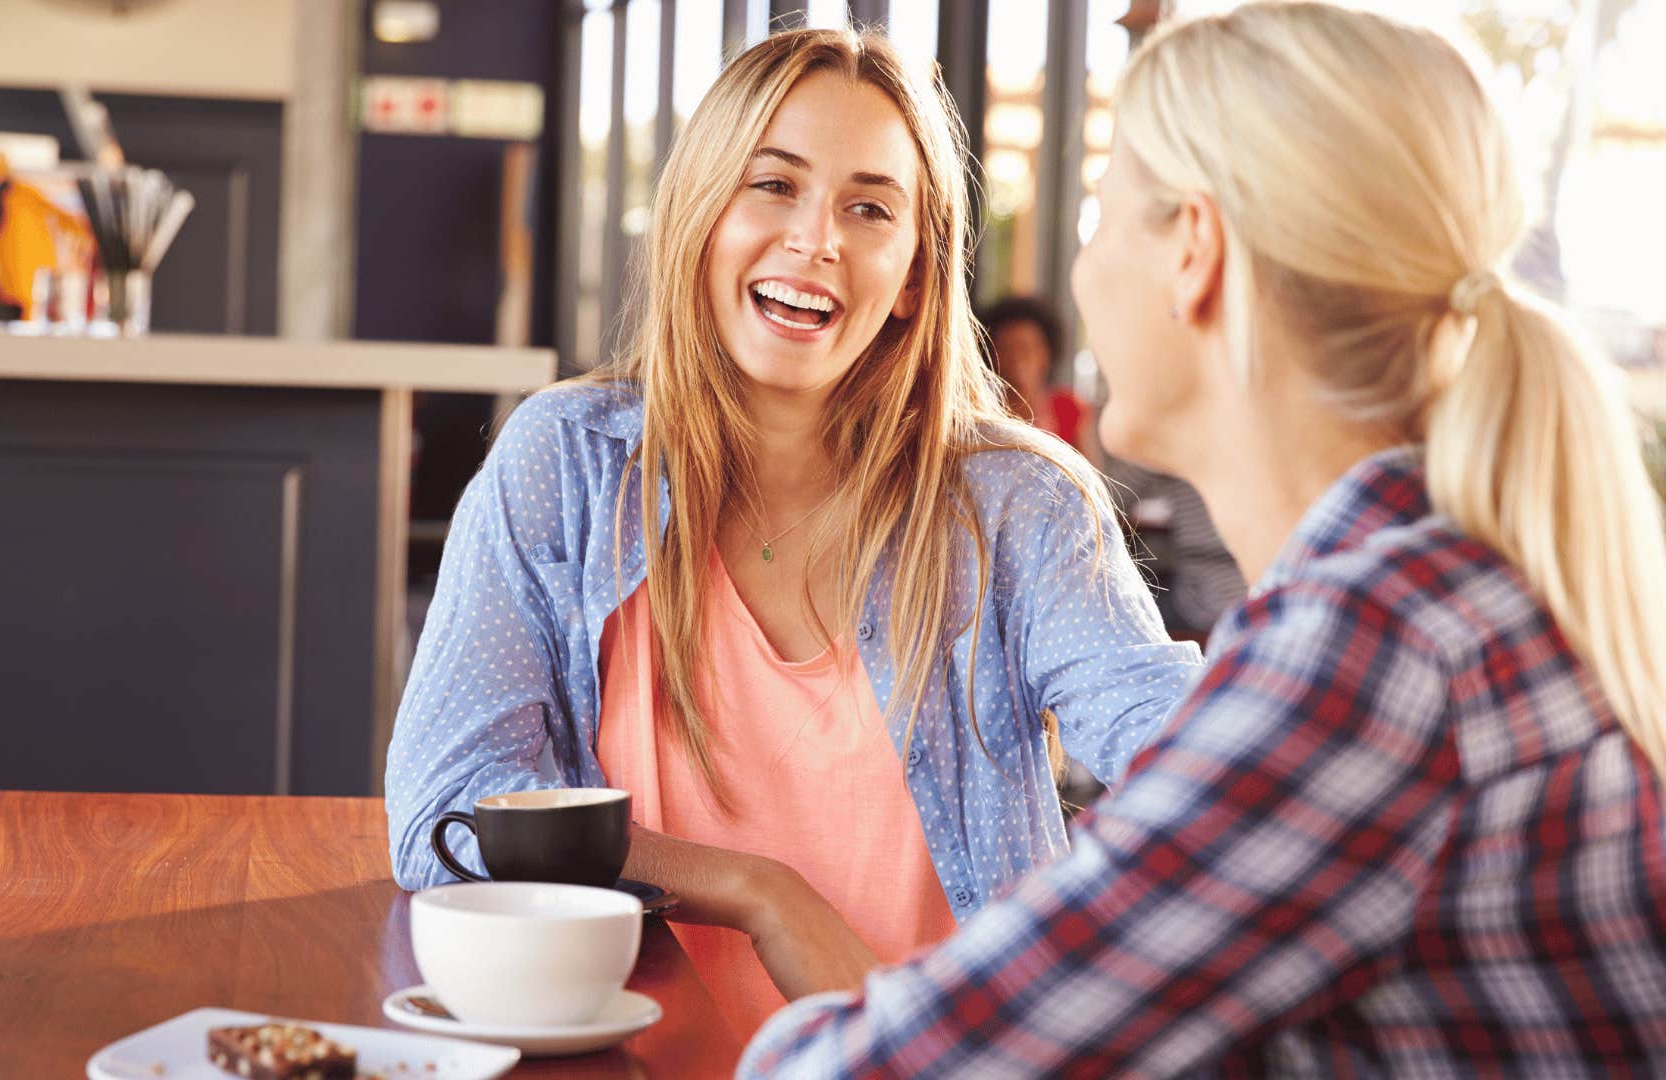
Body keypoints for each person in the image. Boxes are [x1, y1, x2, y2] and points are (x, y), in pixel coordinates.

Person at [742, 3, 1666, 1074]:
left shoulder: (1370, 649)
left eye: (1100, 212)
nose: (1080, 274)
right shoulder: (1451, 583)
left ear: (1196, 250)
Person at [385, 28, 1201, 1039]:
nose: (817, 240)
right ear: (703, 214)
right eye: (774, 186)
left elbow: (1185, 753)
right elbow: (452, 816)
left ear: (912, 275)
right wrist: (759, 892)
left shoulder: (1015, 503)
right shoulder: (569, 466)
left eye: (869, 208)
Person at [980, 295, 1095, 456]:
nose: (1018, 358)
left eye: (1027, 348)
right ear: (991, 355)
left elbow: (1087, 475)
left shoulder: (1069, 408)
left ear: (1047, 353)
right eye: (1007, 348)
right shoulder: (981, 411)